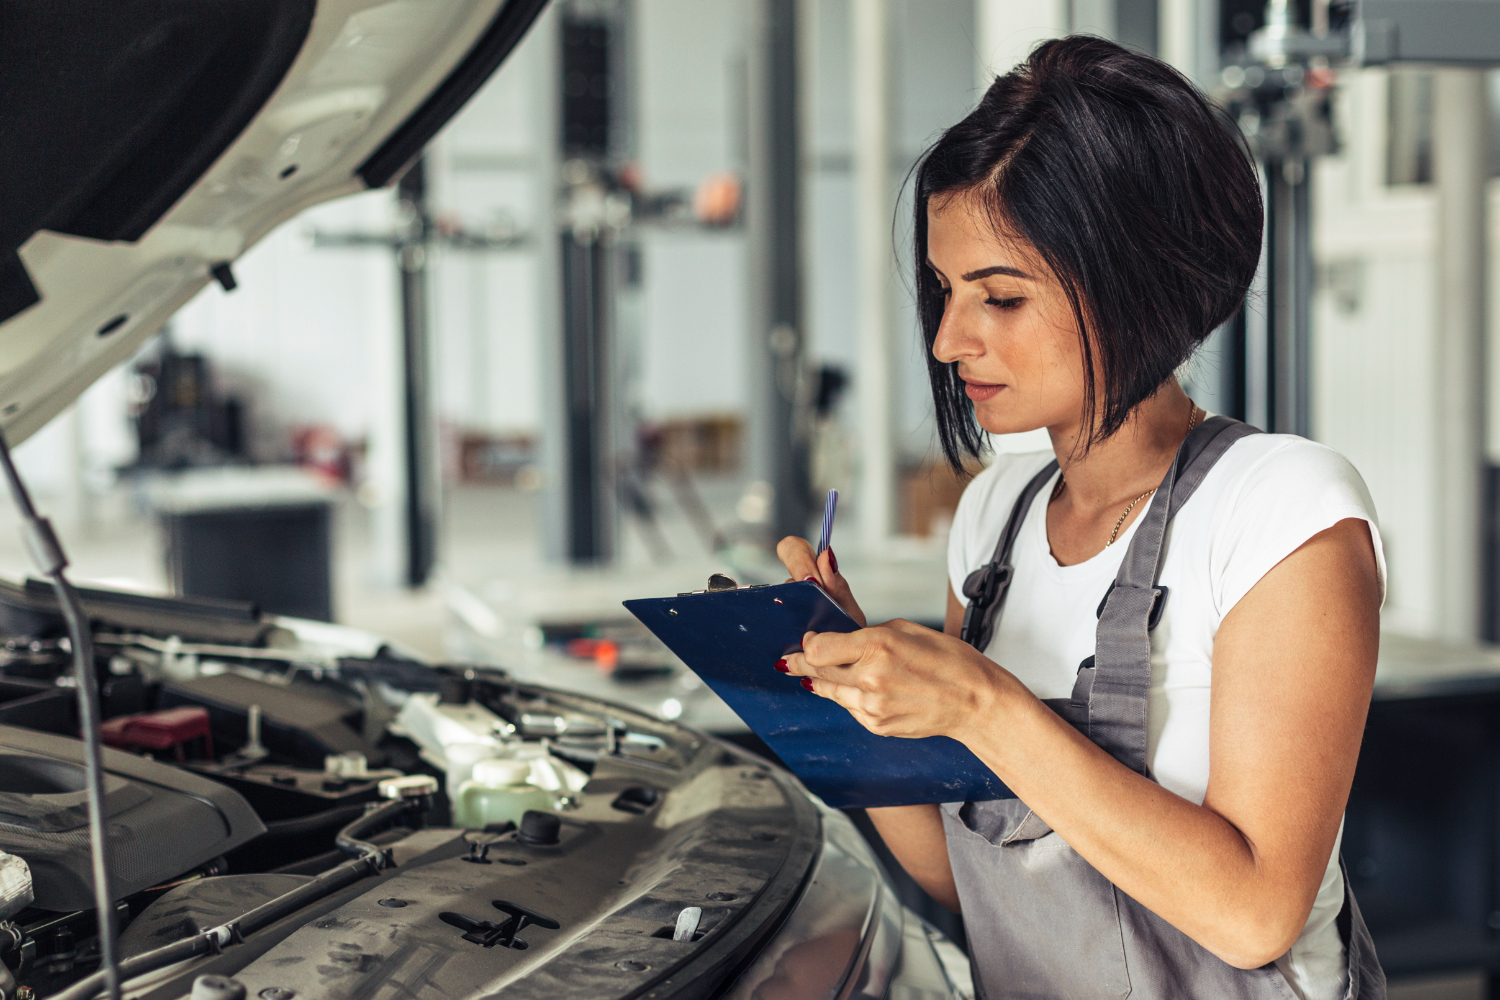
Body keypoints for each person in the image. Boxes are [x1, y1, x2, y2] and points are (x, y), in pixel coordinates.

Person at [775, 37, 1385, 1000]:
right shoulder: (993, 521)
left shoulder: (1280, 511)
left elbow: (1254, 912)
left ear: (1132, 282)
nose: (947, 339)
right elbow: (960, 873)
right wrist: (838, 686)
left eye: (1001, 296)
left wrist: (980, 702)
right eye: (943, 290)